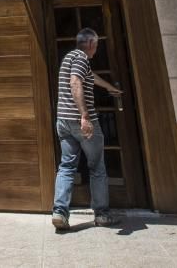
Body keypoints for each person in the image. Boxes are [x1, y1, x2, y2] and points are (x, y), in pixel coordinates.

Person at [52, 27, 123, 230]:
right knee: (97, 167)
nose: (97, 49)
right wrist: (85, 116)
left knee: (66, 167)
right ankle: (101, 214)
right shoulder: (82, 58)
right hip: (80, 122)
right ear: (91, 44)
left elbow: (90, 76)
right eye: (97, 45)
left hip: (63, 121)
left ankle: (60, 213)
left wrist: (109, 87)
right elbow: (76, 82)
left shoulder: (71, 57)